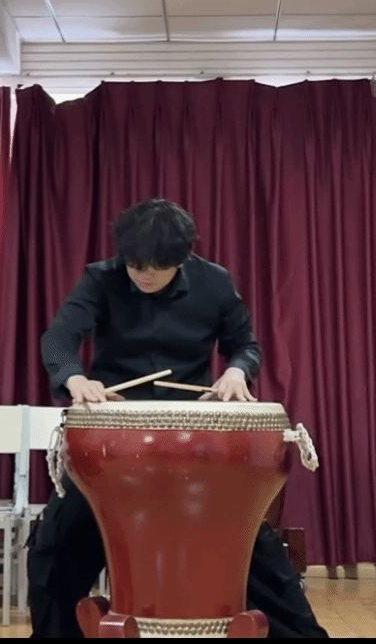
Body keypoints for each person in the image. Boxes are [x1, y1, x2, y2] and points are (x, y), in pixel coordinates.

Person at [30, 199, 328, 638]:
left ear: (182, 259)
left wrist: (236, 370)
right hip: (114, 450)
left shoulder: (214, 282)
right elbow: (59, 338)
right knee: (55, 545)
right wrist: (74, 378)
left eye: (157, 267)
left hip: (194, 449)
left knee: (253, 545)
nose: (144, 274)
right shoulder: (101, 278)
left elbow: (245, 345)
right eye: (136, 265)